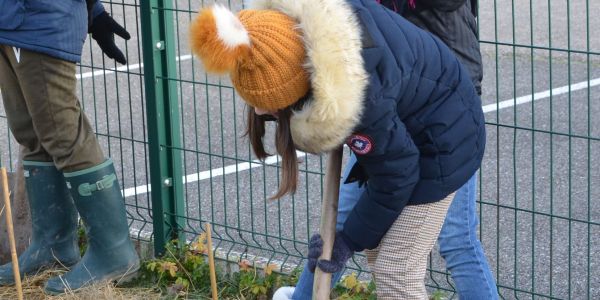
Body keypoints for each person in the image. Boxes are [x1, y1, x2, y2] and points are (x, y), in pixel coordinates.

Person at [190, 0, 486, 298]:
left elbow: (397, 176)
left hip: (445, 144)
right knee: (377, 251)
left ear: (293, 84)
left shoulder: (362, 96)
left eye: (268, 104)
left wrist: (346, 241)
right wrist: (349, 239)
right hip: (410, 127)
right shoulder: (315, 34)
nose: (256, 111)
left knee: (396, 269)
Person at [276, 0, 499, 299]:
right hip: (388, 92)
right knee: (371, 240)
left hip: (440, 113)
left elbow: (395, 176)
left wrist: (348, 241)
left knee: (441, 247)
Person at [0, 0, 138, 295]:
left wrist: (95, 11)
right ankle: (51, 245)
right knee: (31, 133)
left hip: (40, 22)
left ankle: (113, 252)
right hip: (9, 21)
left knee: (64, 135)